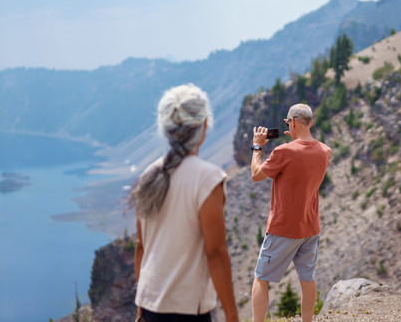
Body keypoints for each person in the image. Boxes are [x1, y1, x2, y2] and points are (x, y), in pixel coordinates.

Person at [130, 84, 238, 322]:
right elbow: (215, 252)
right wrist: (232, 315)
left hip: (150, 303)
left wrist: (140, 306)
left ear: (165, 128)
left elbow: (141, 246)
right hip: (187, 309)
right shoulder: (207, 178)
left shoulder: (149, 175)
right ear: (204, 126)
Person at [250, 103, 331, 322]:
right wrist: (297, 136)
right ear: (311, 122)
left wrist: (257, 147)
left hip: (283, 228)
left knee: (261, 278)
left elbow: (256, 175)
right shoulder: (325, 151)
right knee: (307, 278)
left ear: (292, 122)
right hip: (310, 227)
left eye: (289, 123)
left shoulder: (283, 151)